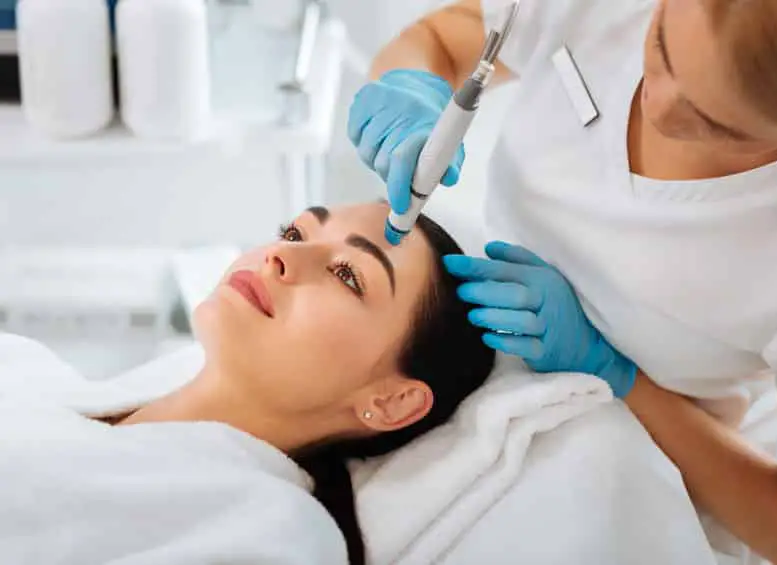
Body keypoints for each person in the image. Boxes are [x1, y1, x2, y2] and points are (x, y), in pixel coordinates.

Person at [347, 0, 777, 563]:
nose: (660, 107)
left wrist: (615, 374)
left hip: (647, 475)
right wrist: (410, 83)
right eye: (659, 47)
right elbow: (447, 39)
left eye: (721, 126)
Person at [0, 202, 495, 565]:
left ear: (391, 401)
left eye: (347, 274)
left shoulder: (273, 535)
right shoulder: (26, 370)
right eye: (295, 233)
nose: (281, 256)